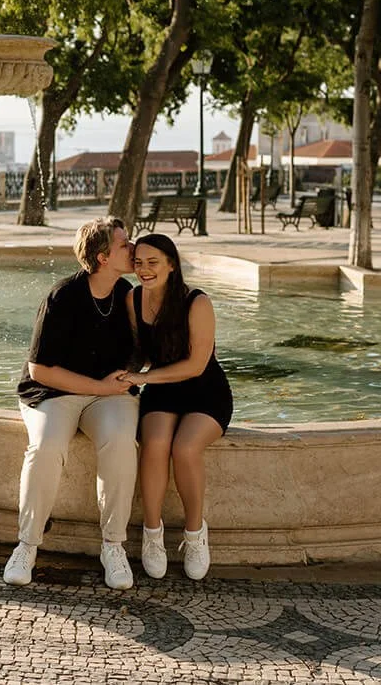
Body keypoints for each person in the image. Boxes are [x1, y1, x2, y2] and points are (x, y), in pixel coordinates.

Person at [4, 217, 140, 590]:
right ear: (101, 258)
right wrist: (99, 385)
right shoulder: (62, 296)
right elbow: (40, 370)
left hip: (107, 396)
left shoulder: (127, 295)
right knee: (46, 446)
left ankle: (113, 546)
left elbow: (141, 353)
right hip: (53, 392)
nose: (133, 248)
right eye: (124, 244)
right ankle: (27, 545)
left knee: (120, 443)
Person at [118, 233, 232, 581]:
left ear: (172, 264)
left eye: (153, 263)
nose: (144, 270)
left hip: (205, 391)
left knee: (184, 448)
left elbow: (197, 365)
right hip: (162, 389)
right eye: (138, 263)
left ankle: (195, 534)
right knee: (153, 445)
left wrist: (142, 380)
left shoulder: (197, 302)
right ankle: (152, 534)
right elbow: (140, 351)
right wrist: (122, 376)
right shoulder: (133, 298)